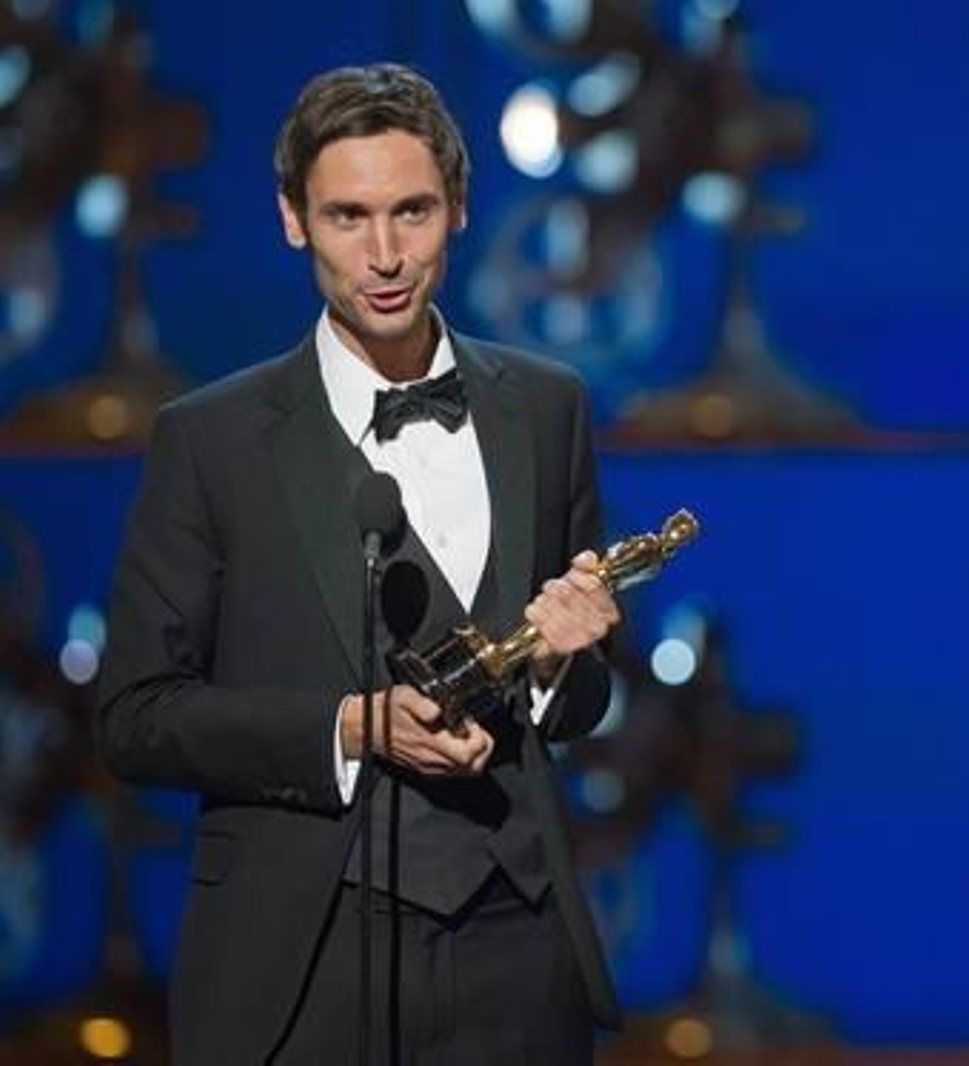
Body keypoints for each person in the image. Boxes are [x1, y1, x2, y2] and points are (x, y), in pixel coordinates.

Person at [95, 63, 622, 1064]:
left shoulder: (547, 409)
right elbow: (134, 716)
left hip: (517, 952)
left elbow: (584, 700)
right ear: (294, 219)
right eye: (347, 217)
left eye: (412, 211)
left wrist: (561, 666)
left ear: (460, 208)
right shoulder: (212, 440)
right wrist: (347, 726)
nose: (384, 254)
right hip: (302, 953)